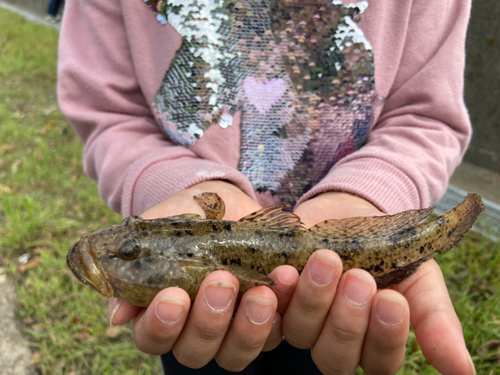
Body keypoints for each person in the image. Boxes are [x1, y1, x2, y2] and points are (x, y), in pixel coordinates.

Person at [58, 0, 475, 374]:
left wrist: (366, 194)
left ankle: (442, 227)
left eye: (130, 252)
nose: (110, 254)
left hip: (330, 309)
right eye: (130, 247)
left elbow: (426, 117)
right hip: (194, 324)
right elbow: (111, 113)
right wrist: (171, 183)